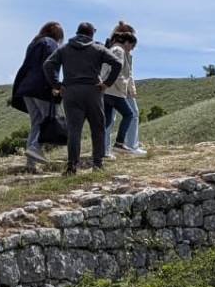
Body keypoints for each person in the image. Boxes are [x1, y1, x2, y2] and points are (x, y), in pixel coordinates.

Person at [44, 20, 123, 174]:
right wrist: (107, 83)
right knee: (97, 128)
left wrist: (57, 85)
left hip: (71, 92)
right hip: (93, 91)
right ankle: (98, 164)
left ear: (77, 32)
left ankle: (72, 166)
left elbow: (48, 65)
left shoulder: (65, 49)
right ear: (91, 33)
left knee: (74, 131)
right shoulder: (98, 49)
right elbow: (117, 63)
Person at [10, 20, 63, 173]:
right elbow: (50, 65)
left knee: (36, 122)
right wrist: (55, 85)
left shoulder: (34, 43)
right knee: (48, 120)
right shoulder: (51, 44)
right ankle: (34, 148)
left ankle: (30, 163)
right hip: (42, 87)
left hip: (26, 87)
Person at [101, 20, 144, 157]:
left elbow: (127, 71)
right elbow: (117, 71)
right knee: (130, 114)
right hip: (116, 90)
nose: (132, 47)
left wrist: (131, 88)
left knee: (111, 119)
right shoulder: (118, 50)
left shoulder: (114, 47)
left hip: (115, 89)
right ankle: (123, 145)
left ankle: (109, 148)